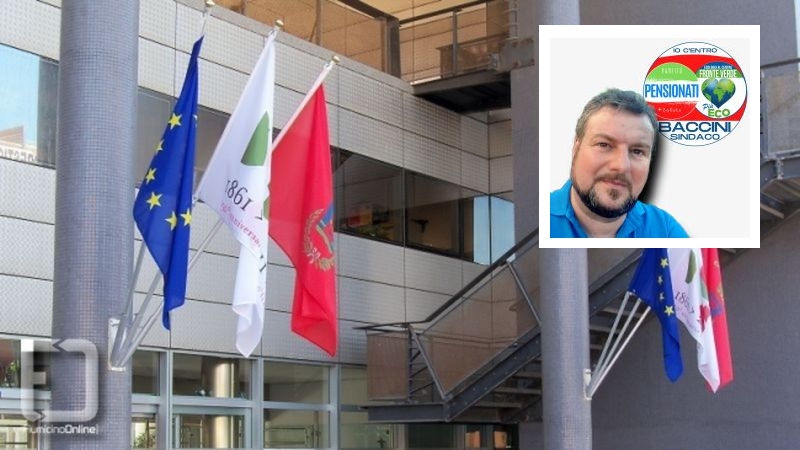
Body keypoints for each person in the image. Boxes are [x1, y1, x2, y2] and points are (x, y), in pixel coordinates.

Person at [550, 89, 688, 238]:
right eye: (604, 145)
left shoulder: (665, 230)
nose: (621, 166)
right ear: (576, 148)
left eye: (637, 151)